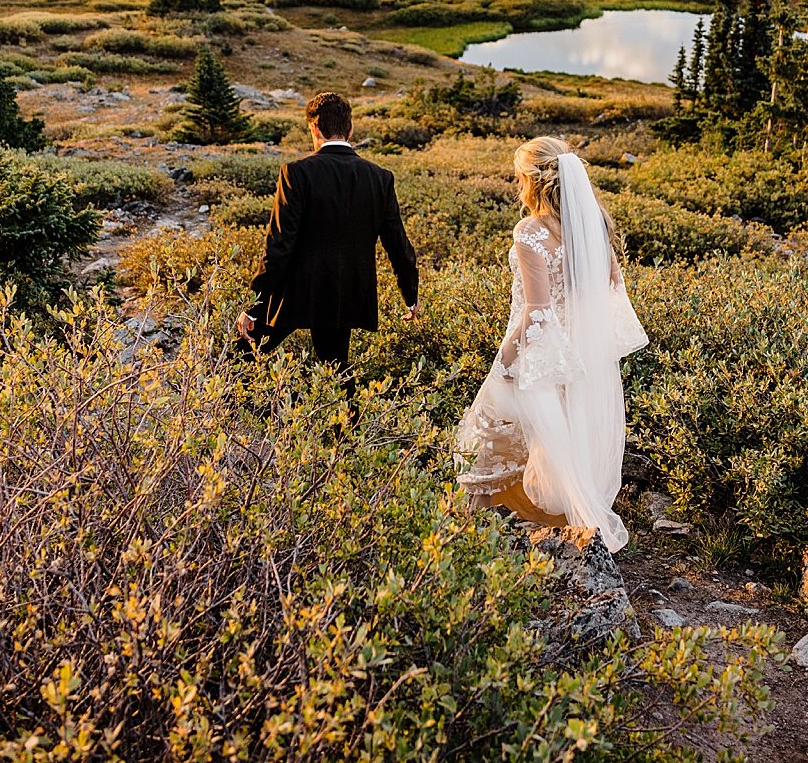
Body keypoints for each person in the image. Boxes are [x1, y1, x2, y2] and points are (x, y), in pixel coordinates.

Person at [456, 136, 648, 551]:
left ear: (532, 179)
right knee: (557, 434)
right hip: (579, 350)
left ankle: (474, 534)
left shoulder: (530, 231)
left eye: (518, 177)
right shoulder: (591, 223)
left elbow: (536, 309)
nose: (516, 186)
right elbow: (611, 286)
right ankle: (551, 520)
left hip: (539, 350)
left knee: (488, 427)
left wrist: (506, 357)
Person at [238, 92, 419, 371]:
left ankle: (232, 410)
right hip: (344, 293)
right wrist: (411, 296)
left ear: (314, 128)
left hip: (293, 292)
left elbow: (278, 246)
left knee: (240, 357)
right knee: (335, 371)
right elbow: (398, 245)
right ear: (351, 129)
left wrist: (254, 304)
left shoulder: (296, 172)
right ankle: (350, 416)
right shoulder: (380, 177)